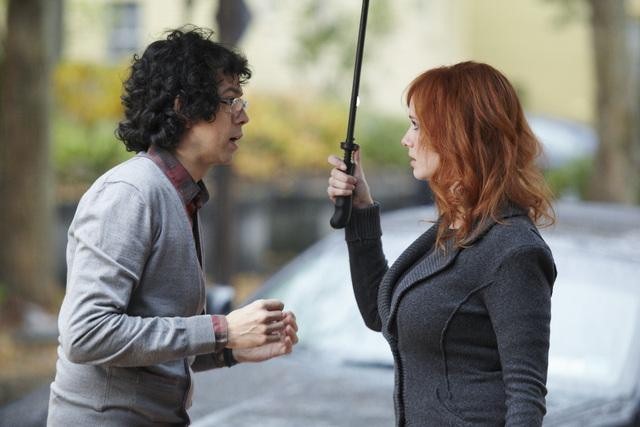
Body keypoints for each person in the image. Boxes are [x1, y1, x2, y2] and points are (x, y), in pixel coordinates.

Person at [47, 27, 298, 426]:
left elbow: (146, 340)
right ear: (184, 107)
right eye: (231, 100)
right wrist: (221, 330)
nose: (244, 115)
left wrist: (229, 349)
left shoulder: (179, 193)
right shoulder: (130, 193)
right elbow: (87, 334)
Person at [327, 61, 557, 426]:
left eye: (417, 125)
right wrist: (361, 211)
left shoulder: (513, 250)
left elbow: (525, 394)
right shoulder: (456, 229)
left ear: (459, 134)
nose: (406, 138)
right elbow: (380, 313)